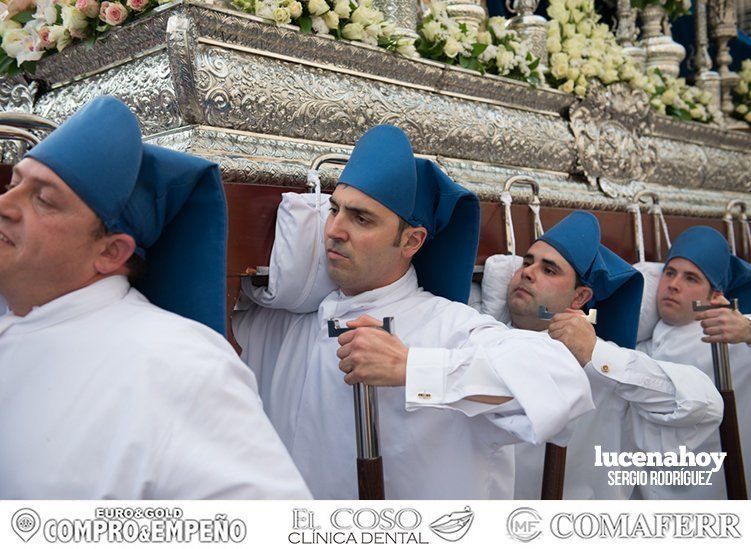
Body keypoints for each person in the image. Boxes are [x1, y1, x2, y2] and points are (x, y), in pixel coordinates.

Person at [232, 125, 595, 499]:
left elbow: (562, 383)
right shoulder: (279, 324)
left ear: (411, 240)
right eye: (334, 210)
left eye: (361, 218)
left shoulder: (450, 327)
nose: (335, 230)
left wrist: (413, 368)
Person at [0, 96, 311, 499]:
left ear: (110, 253)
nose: (4, 205)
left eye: (43, 198)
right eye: (13, 184)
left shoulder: (178, 364)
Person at [505, 212, 722, 499]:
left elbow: (705, 405)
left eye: (549, 270)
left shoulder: (607, 369)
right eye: (526, 262)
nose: (528, 272)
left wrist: (596, 355)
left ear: (580, 298)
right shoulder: (475, 334)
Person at [636, 225, 751, 499]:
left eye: (691, 278)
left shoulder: (736, 336)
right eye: (670, 272)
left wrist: (747, 331)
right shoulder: (644, 338)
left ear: (715, 296)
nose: (674, 284)